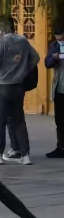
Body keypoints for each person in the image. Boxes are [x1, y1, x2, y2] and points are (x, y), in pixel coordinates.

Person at [0, 17, 39, 165]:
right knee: (19, 120)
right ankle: (25, 154)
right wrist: (23, 70)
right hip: (18, 85)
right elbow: (36, 57)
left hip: (2, 85)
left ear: (2, 28)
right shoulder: (23, 41)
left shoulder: (1, 42)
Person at [44, 27, 64, 159]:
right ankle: (61, 147)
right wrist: (54, 57)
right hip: (59, 87)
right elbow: (47, 63)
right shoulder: (54, 46)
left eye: (62, 39)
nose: (60, 41)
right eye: (58, 39)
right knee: (60, 120)